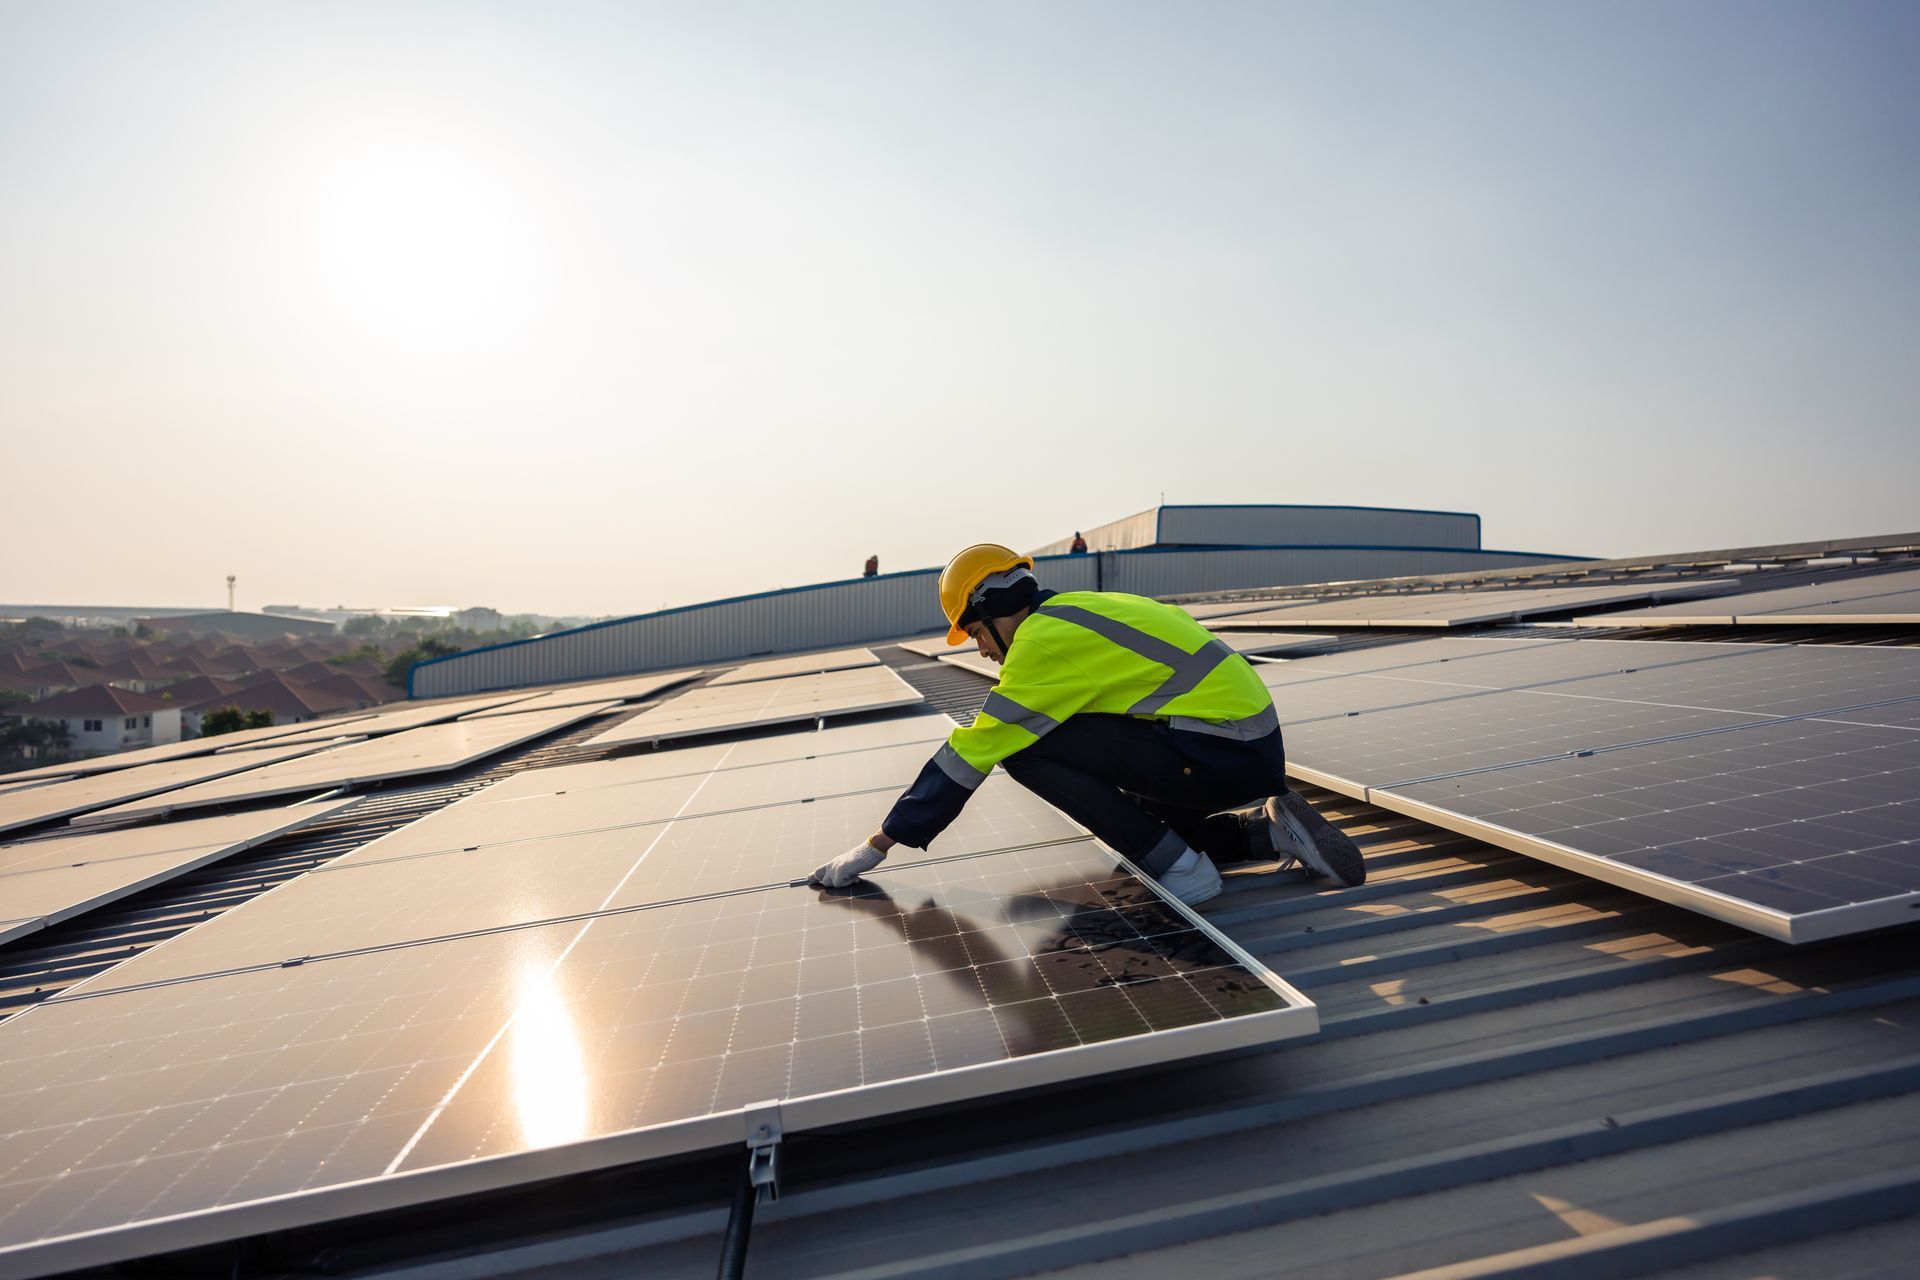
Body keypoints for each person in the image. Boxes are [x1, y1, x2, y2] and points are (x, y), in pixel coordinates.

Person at [811, 543, 1365, 905]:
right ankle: (1268, 832)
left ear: (994, 610)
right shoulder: (1085, 609)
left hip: (1218, 751)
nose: (980, 651)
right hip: (1242, 749)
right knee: (1140, 828)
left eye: (976, 633)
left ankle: (1185, 872)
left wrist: (880, 843)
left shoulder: (1041, 644)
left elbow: (972, 751)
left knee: (1026, 748)